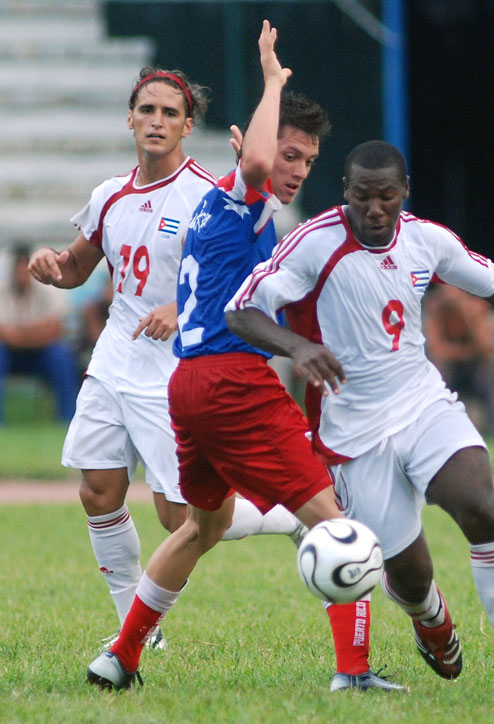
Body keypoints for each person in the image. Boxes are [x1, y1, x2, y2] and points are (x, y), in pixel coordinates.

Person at [85, 22, 402, 693]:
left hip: (188, 385)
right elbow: (254, 168)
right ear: (252, 142)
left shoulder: (213, 211)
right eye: (288, 153)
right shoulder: (239, 191)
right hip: (232, 380)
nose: (294, 170)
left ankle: (121, 654)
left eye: (308, 162)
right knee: (338, 522)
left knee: (202, 525)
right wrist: (271, 77)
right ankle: (354, 673)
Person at [225, 140, 494, 693]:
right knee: (409, 577)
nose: (375, 208)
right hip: (353, 434)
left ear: (404, 192)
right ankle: (431, 619)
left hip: (422, 403)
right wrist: (297, 346)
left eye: (386, 196)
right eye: (363, 197)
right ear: (346, 193)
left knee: (480, 505)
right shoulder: (314, 243)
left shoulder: (426, 240)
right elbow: (240, 309)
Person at [28, 59, 316, 652]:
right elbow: (78, 266)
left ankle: (287, 514)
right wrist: (52, 265)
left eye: (170, 113)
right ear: (130, 119)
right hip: (115, 358)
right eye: (147, 110)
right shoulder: (109, 195)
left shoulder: (209, 194)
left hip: (178, 365)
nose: (156, 121)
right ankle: (138, 628)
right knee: (98, 490)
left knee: (182, 516)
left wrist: (184, 312)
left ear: (188, 126)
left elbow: (248, 278)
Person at [423, 283, 494, 438]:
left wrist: (468, 315)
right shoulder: (434, 308)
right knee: (437, 372)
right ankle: (440, 434)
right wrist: (463, 352)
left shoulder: (477, 307)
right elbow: (436, 351)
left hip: (475, 368)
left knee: (491, 371)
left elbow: (486, 348)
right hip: (449, 370)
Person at [0, 244, 79, 424]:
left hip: (41, 354)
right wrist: (34, 332)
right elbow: (3, 334)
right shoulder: (2, 291)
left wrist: (18, 333)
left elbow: (55, 330)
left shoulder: (48, 289)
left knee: (61, 355)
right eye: (17, 268)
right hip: (9, 354)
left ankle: (68, 418)